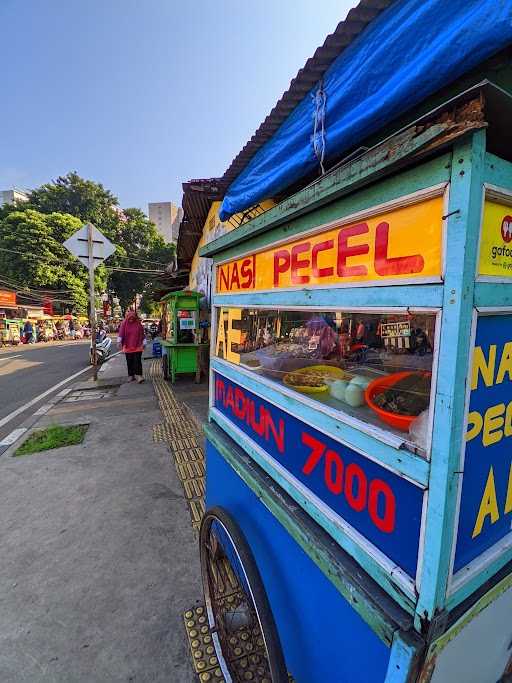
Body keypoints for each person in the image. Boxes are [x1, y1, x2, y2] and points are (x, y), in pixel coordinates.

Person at [117, 309, 145, 383]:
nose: (131, 319)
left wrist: (144, 342)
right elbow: (121, 333)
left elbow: (142, 333)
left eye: (133, 318)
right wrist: (119, 342)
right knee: (129, 361)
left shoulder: (138, 324)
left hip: (138, 345)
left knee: (137, 361)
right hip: (128, 346)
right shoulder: (124, 323)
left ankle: (139, 376)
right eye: (130, 318)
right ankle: (131, 375)